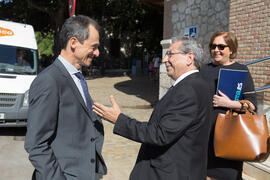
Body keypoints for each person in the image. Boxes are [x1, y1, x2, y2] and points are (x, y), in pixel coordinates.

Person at [93, 37, 212, 180]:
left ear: (189, 58)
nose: (164, 60)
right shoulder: (196, 84)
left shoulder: (189, 89)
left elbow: (160, 134)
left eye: (170, 54)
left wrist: (119, 120)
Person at [24, 15, 107, 180]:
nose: (97, 53)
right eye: (94, 47)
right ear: (74, 43)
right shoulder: (49, 81)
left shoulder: (77, 76)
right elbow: (36, 144)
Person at [200, 31, 257, 180]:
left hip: (230, 135)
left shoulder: (241, 70)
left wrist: (230, 104)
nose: (216, 50)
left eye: (221, 46)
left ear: (231, 49)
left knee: (228, 175)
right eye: (213, 46)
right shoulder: (204, 70)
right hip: (205, 133)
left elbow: (252, 105)